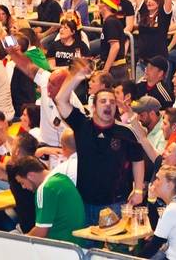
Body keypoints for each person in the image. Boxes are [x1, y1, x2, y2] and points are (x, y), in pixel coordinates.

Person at [55, 58, 144, 226]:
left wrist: (138, 189)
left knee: (113, 248)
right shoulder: (82, 125)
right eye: (103, 101)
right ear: (93, 107)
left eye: (112, 102)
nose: (108, 105)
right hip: (84, 202)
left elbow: (138, 159)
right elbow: (60, 100)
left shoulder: (125, 132)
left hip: (115, 204)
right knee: (87, 247)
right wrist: (77, 76)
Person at [11, 156, 84, 245]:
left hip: (59, 247)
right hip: (76, 244)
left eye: (22, 182)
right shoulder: (62, 178)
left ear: (31, 175)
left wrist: (21, 242)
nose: (23, 187)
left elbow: (40, 232)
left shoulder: (45, 189)